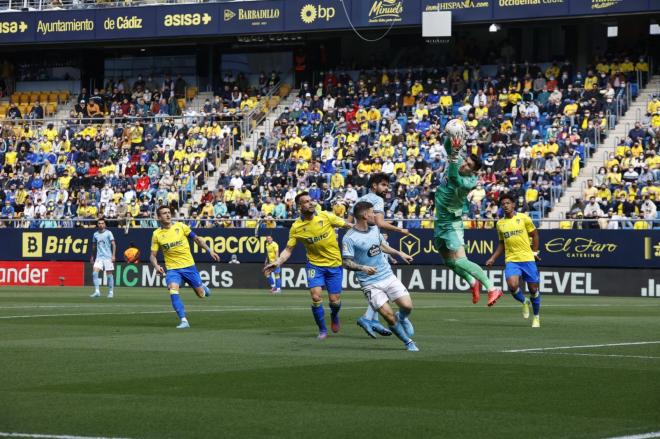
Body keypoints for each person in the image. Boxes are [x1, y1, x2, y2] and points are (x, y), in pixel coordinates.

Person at [263, 192, 352, 339]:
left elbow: (347, 225)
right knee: (316, 297)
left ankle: (334, 316)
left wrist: (364, 229)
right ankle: (322, 330)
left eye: (311, 200)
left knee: (334, 301)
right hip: (315, 265)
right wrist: (277, 262)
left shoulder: (325, 216)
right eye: (306, 201)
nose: (310, 203)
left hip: (334, 264)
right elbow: (288, 250)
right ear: (299, 206)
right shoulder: (296, 227)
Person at [434, 130, 504, 306]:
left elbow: (453, 178)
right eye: (465, 161)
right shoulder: (457, 161)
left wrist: (454, 155)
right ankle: (473, 282)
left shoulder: (469, 182)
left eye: (469, 165)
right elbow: (448, 146)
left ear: (473, 171)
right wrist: (452, 136)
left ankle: (492, 287)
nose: (465, 165)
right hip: (440, 221)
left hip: (452, 223)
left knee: (460, 260)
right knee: (447, 261)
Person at [342, 202, 419, 351]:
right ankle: (408, 342)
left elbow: (382, 246)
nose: (375, 215)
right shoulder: (349, 238)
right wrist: (362, 268)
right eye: (372, 212)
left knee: (407, 306)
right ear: (365, 216)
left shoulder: (374, 228)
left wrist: (399, 253)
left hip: (387, 275)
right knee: (388, 316)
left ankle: (402, 318)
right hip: (370, 283)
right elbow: (346, 262)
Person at [348, 173, 410, 338]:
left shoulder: (358, 201)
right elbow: (380, 223)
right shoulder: (377, 200)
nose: (386, 188)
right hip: (373, 240)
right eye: (383, 185)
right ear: (374, 186)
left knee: (375, 283)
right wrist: (400, 229)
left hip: (359, 243)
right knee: (381, 281)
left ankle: (371, 318)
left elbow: (348, 223)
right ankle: (368, 318)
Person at [150, 205, 220, 329]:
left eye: (168, 212)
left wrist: (210, 250)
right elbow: (152, 256)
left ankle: (203, 287)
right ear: (159, 217)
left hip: (189, 267)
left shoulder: (181, 226)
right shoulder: (156, 234)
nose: (168, 215)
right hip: (172, 269)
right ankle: (184, 320)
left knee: (201, 295)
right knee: (173, 290)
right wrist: (156, 266)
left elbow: (197, 239)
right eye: (164, 213)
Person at [485, 194, 541, 328]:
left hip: (527, 259)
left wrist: (534, 252)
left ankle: (536, 317)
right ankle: (524, 301)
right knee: (512, 286)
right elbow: (502, 243)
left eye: (508, 203)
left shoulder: (523, 218)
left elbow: (534, 234)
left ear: (513, 205)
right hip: (512, 260)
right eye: (503, 204)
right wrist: (493, 258)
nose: (505, 206)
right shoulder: (500, 224)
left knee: (533, 289)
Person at [89, 218, 116, 298]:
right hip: (99, 258)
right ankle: (97, 292)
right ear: (97, 224)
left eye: (102, 223)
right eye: (99, 223)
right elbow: (94, 246)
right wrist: (92, 256)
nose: (101, 224)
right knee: (94, 273)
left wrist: (113, 255)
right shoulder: (95, 234)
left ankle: (111, 292)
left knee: (109, 275)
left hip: (108, 257)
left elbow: (113, 244)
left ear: (105, 224)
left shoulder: (109, 233)